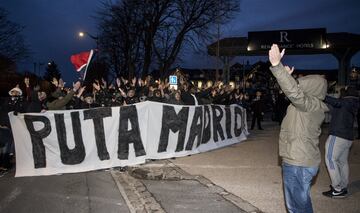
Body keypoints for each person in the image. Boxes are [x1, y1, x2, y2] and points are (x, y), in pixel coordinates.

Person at [268, 44, 329, 213]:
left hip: (298, 163)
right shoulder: (311, 104)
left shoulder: (310, 105)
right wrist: (286, 77)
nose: (299, 85)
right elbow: (292, 91)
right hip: (301, 160)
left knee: (296, 207)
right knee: (302, 204)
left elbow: (294, 92)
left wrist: (277, 66)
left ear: (311, 89)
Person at [322, 86, 358, 198]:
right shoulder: (353, 103)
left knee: (330, 159)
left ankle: (337, 188)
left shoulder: (345, 102)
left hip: (338, 136)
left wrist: (321, 95)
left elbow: (334, 102)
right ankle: (343, 187)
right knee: (342, 162)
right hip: (348, 137)